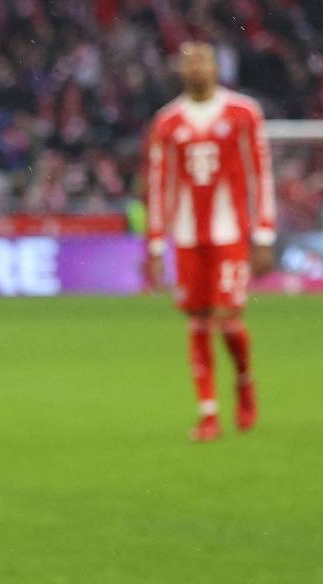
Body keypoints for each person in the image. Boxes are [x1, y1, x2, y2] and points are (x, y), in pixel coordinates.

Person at [143, 41, 276, 442]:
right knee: (197, 321)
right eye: (190, 63)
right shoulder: (167, 122)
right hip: (187, 238)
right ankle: (209, 412)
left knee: (228, 320)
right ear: (181, 72)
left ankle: (244, 384)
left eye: (204, 60)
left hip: (230, 234)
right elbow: (158, 185)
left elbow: (260, 174)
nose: (197, 68)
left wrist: (264, 234)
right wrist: (154, 245)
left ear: (217, 67)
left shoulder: (242, 112)